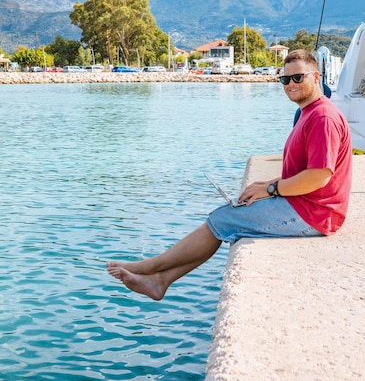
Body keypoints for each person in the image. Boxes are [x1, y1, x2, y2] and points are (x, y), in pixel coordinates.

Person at [107, 49, 352, 301]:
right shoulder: (310, 112)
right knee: (230, 216)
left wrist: (271, 190)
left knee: (222, 219)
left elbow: (319, 176)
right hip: (307, 206)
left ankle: (150, 268)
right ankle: (160, 281)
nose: (291, 84)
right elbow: (305, 171)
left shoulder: (323, 118)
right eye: (285, 79)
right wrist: (266, 184)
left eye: (298, 78)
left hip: (315, 214)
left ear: (316, 77)